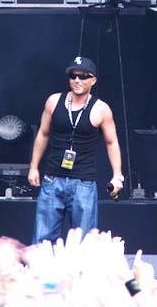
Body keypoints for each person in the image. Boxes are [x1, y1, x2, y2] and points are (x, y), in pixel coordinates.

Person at [28, 56, 123, 243]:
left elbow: (112, 142)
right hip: (52, 178)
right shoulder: (54, 101)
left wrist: (117, 175)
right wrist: (33, 167)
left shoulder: (101, 109)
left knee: (84, 242)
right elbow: (43, 134)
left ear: (93, 80)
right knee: (42, 240)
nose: (77, 80)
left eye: (83, 76)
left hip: (83, 182)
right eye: (73, 76)